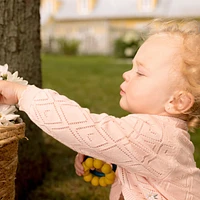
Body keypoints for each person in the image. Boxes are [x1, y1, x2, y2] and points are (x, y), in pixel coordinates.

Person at [0, 19, 200, 200]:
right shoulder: (161, 136)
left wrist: (23, 94)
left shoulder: (155, 135)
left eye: (140, 72)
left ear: (178, 102)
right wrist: (114, 161)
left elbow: (86, 126)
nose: (126, 74)